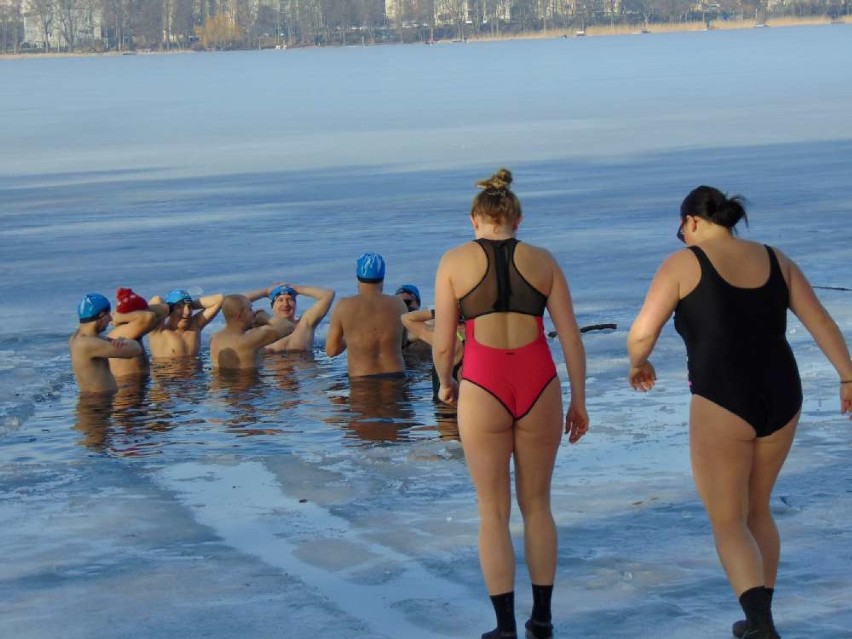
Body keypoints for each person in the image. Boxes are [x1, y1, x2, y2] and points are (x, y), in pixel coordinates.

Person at [627, 186, 852, 639]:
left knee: (728, 519)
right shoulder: (776, 259)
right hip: (783, 393)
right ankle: (758, 620)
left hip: (721, 397)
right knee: (758, 510)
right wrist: (847, 377)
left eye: (681, 231)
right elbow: (821, 322)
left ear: (691, 222)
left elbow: (640, 333)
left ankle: (761, 625)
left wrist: (638, 362)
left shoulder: (682, 264)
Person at [432, 169, 589, 639]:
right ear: (517, 220)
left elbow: (443, 344)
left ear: (474, 219)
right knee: (538, 505)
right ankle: (542, 619)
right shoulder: (544, 261)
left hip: (482, 386)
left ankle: (503, 628)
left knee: (492, 510)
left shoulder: (453, 261)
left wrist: (445, 382)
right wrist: (579, 399)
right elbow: (572, 338)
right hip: (539, 382)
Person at [325, 253, 408, 378]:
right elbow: (403, 342)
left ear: (358, 278)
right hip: (396, 375)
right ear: (383, 278)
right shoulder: (398, 304)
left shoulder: (343, 306)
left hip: (362, 378)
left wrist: (352, 337)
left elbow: (331, 351)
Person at [70, 293, 143, 394]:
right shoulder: (88, 343)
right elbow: (136, 349)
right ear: (101, 315)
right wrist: (123, 340)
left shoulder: (79, 337)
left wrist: (120, 341)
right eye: (108, 314)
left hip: (98, 401)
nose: (111, 319)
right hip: (97, 404)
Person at [210, 294, 295, 370]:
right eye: (250, 309)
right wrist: (265, 316)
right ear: (240, 316)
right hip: (250, 385)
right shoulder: (249, 340)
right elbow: (289, 326)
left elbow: (231, 304)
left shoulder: (214, 338)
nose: (253, 313)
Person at [244, 282, 335, 353]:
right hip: (273, 375)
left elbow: (328, 294)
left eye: (290, 299)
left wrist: (297, 289)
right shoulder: (262, 328)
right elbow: (234, 304)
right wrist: (265, 292)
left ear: (295, 304)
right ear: (272, 305)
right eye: (280, 300)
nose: (285, 304)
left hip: (304, 375)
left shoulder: (305, 324)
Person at [401, 308, 465, 400]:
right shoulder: (482, 334)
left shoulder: (445, 335)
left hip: (447, 399)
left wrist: (439, 312)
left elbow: (406, 318)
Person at [108, 288, 169, 379]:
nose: (149, 312)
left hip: (141, 385)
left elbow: (165, 308)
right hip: (127, 389)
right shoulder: (118, 334)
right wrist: (118, 317)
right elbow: (148, 317)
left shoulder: (135, 331)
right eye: (144, 310)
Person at [148, 288, 224, 359]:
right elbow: (156, 299)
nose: (187, 312)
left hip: (195, 373)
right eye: (180, 307)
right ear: (170, 310)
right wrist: (168, 307)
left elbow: (219, 299)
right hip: (168, 372)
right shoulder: (158, 330)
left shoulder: (194, 326)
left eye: (189, 307)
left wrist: (187, 303)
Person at [396, 284, 431, 354]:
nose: (403, 306)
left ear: (418, 303)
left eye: (407, 302)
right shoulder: (390, 327)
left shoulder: (429, 322)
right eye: (399, 303)